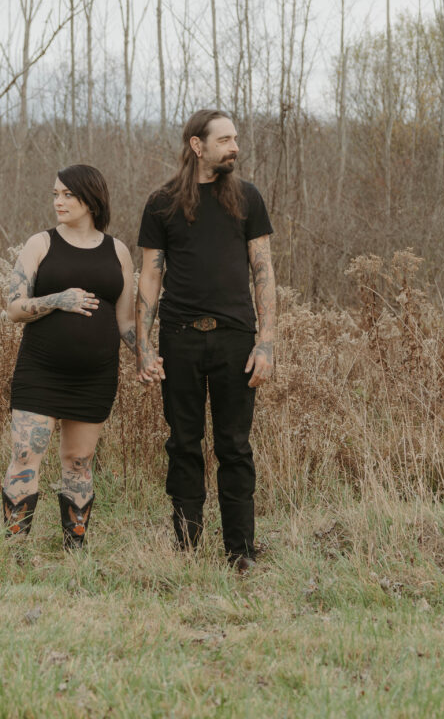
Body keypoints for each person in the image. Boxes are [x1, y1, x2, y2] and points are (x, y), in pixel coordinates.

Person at [136, 109, 276, 572]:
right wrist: (144, 344)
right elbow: (149, 281)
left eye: (236, 138)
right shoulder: (162, 203)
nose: (235, 147)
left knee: (234, 447)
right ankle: (187, 549)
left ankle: (241, 553)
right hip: (180, 340)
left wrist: (267, 343)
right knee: (183, 444)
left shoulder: (248, 198)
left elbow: (264, 274)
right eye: (225, 140)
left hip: (236, 341)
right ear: (198, 146)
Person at [2, 164, 139, 550]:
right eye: (55, 195)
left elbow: (126, 320)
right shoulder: (40, 244)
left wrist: (146, 356)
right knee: (26, 453)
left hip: (94, 377)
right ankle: (13, 551)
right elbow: (13, 308)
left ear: (91, 199)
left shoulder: (119, 251)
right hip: (41, 371)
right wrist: (58, 300)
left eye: (67, 195)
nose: (58, 202)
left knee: (79, 461)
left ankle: (74, 551)